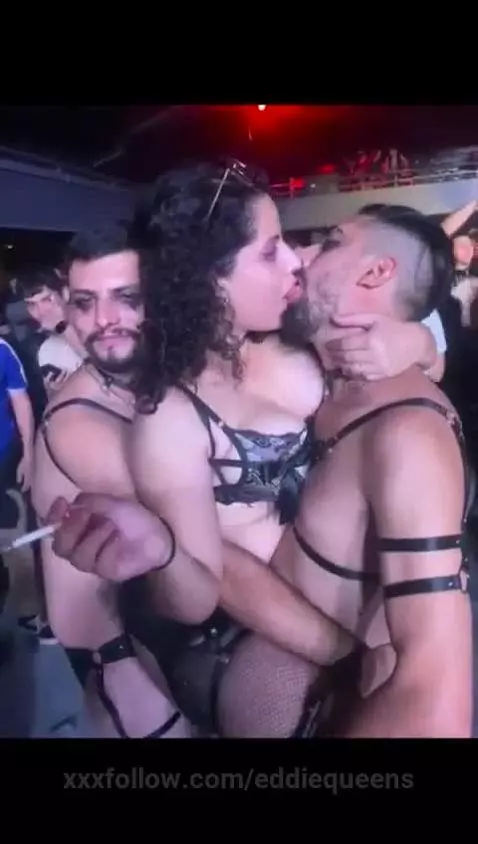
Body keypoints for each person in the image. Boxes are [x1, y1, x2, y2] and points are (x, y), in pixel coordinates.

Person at [58, 162, 442, 736]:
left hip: (340, 594)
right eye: (269, 251)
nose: (295, 261)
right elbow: (199, 595)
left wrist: (415, 342)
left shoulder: (297, 336)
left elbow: (418, 368)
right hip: (245, 636)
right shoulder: (170, 416)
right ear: (209, 280)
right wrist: (163, 552)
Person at [232, 203, 472, 738]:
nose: (299, 256)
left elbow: (435, 706)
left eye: (330, 242)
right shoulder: (319, 372)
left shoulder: (408, 436)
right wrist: (424, 345)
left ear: (376, 272)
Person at [31, 224, 192, 738]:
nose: (103, 319)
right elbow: (201, 538)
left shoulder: (160, 382)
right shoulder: (76, 419)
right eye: (84, 303)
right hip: (122, 663)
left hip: (160, 638)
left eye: (127, 298)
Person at [14, 264, 85, 398]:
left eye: (47, 300)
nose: (41, 311)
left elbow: (109, 374)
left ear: (65, 294)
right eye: (31, 305)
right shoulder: (46, 350)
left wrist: (62, 327)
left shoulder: (95, 326)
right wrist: (55, 393)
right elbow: (52, 406)